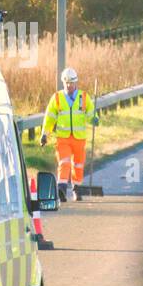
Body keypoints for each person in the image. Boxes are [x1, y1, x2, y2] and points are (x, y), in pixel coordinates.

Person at [39, 67, 98, 201]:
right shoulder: (57, 98)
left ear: (76, 82)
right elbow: (49, 118)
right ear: (63, 82)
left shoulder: (83, 97)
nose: (69, 85)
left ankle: (77, 190)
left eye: (71, 83)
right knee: (64, 162)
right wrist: (44, 134)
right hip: (63, 138)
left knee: (78, 164)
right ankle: (62, 190)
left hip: (79, 138)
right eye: (67, 83)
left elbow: (90, 112)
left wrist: (95, 118)